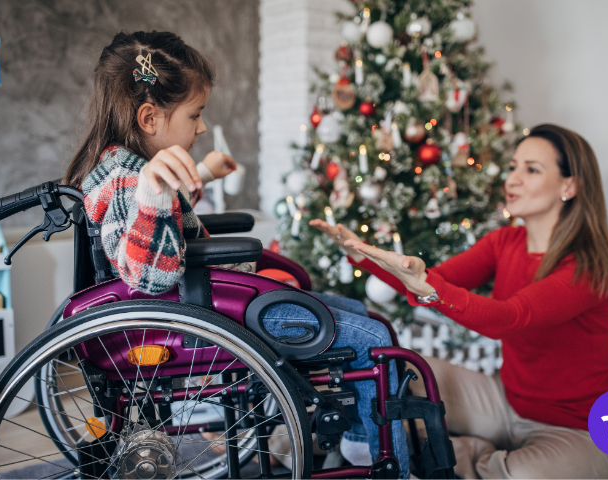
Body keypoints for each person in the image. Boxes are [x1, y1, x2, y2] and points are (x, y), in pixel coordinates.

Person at [63, 31, 409, 477]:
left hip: (211, 301)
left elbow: (163, 223)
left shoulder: (121, 166)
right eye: (196, 114)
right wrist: (153, 188)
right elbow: (147, 277)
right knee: (372, 337)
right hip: (209, 311)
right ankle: (383, 460)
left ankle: (354, 439)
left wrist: (199, 172)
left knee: (357, 312)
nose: (202, 127)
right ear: (149, 117)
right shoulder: (135, 179)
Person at [311, 124, 608, 479]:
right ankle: (459, 451)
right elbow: (427, 280)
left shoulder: (590, 266)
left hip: (576, 428)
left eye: (531, 169)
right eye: (512, 167)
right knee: (396, 368)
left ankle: (464, 453)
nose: (513, 179)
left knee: (525, 475)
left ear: (569, 186)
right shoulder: (504, 241)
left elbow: (509, 317)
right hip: (507, 401)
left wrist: (429, 287)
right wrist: (360, 254)